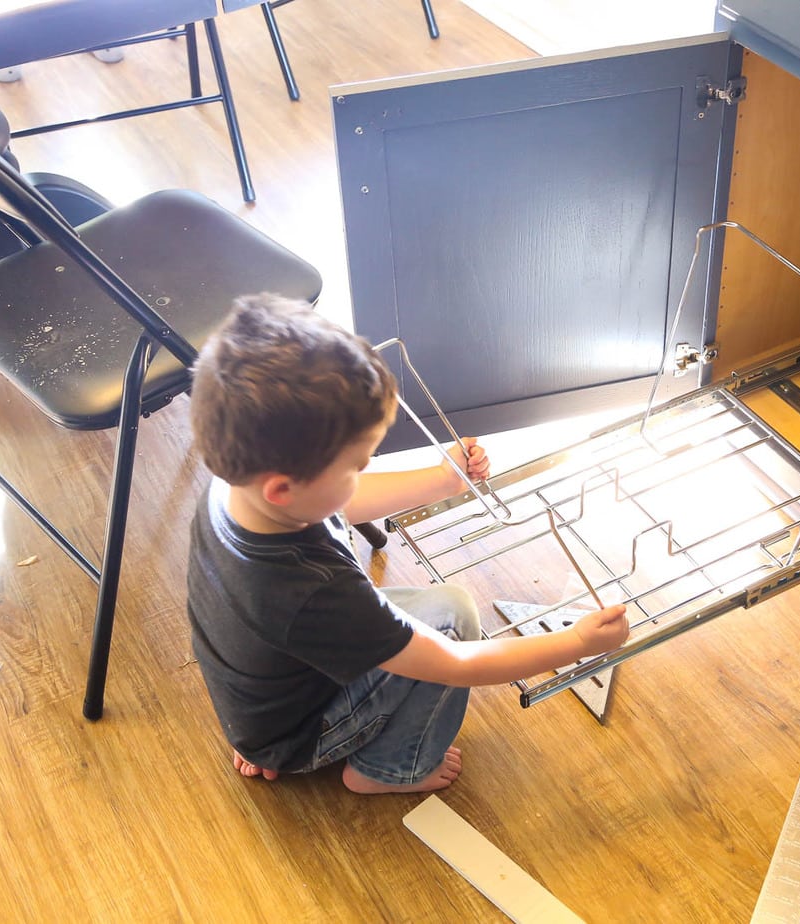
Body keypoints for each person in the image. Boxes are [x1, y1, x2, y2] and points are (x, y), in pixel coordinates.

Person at [186, 293, 629, 794]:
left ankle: (269, 740)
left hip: (259, 704)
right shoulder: (313, 593)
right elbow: (454, 664)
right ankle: (389, 769)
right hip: (299, 729)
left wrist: (444, 479)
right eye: (356, 466)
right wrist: (576, 644)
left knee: (416, 619)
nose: (365, 471)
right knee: (455, 618)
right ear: (283, 488)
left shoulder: (233, 490)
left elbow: (338, 505)